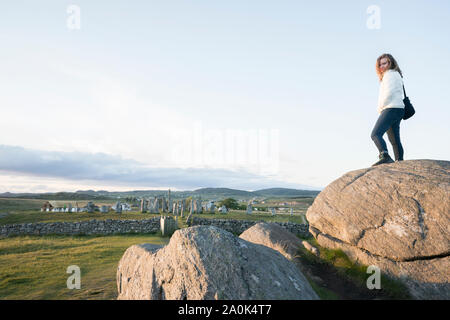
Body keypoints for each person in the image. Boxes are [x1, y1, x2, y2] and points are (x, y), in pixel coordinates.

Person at [371, 53, 406, 166]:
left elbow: (388, 94)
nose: (382, 66)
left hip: (390, 108)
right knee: (395, 140)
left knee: (375, 134)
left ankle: (384, 155)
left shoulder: (390, 75)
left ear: (390, 63)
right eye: (380, 64)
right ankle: (399, 162)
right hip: (399, 109)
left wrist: (380, 108)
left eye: (384, 63)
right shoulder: (397, 75)